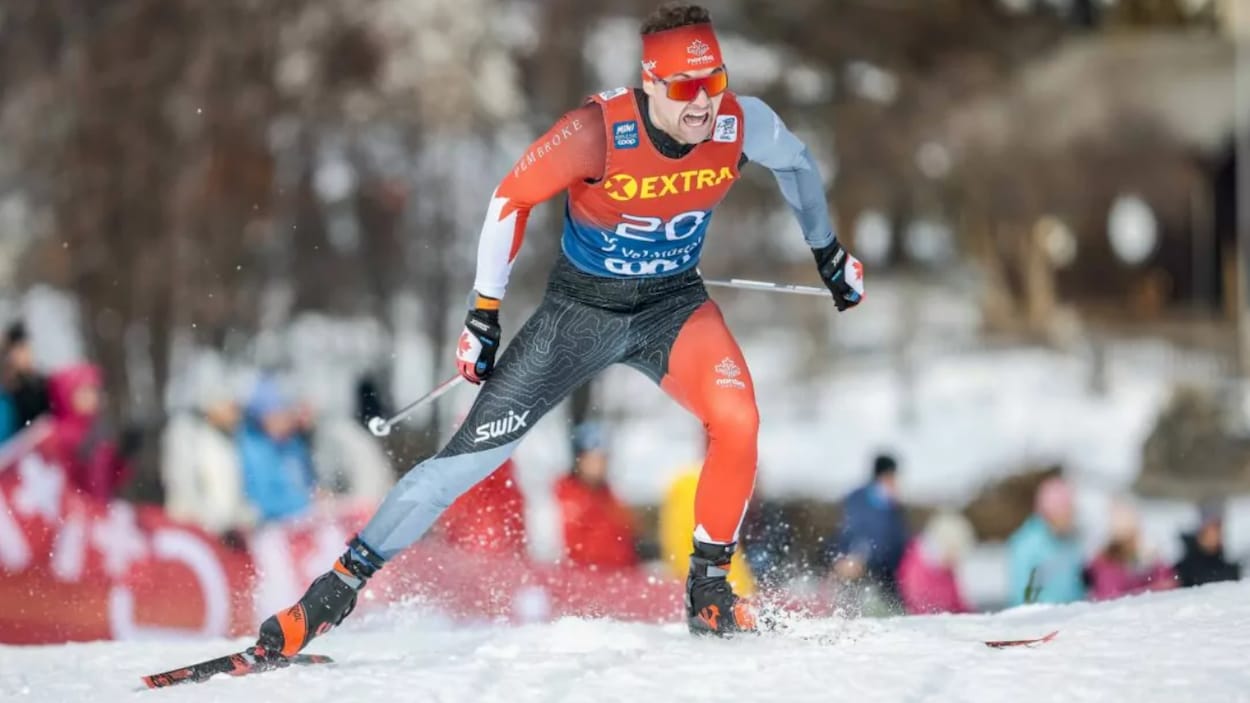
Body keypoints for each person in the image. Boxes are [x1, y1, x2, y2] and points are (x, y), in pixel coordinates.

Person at [255, 1, 864, 657]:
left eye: (713, 82)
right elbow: (509, 199)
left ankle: (710, 594)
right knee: (463, 463)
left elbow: (798, 163)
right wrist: (482, 312)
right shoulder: (598, 132)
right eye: (686, 88)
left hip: (673, 306)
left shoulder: (740, 123)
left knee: (738, 418)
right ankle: (330, 596)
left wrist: (828, 252)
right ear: (651, 82)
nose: (703, 104)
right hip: (579, 313)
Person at [161, 368, 256, 536]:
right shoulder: (187, 437)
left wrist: (244, 518)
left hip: (223, 535)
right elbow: (183, 492)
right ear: (213, 405)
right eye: (231, 407)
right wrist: (216, 525)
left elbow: (233, 496)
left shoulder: (228, 441)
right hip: (194, 537)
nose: (236, 415)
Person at [553, 421, 641, 569]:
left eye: (602, 459)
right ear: (579, 460)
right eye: (592, 459)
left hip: (615, 578)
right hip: (578, 578)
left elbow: (625, 542)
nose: (599, 466)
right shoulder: (563, 496)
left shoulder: (611, 497)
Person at [828, 454, 909, 607]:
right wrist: (854, 556)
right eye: (891, 476)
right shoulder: (861, 500)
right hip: (865, 567)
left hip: (887, 570)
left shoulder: (893, 506)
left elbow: (898, 541)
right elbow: (850, 533)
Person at [236, 376, 317, 523]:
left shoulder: (292, 444)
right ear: (262, 417)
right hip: (270, 529)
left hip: (301, 522)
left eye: (288, 415)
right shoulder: (252, 450)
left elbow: (306, 482)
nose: (286, 422)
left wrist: (316, 495)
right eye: (278, 415)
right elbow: (262, 501)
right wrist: (308, 503)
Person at [45, 363, 130, 501]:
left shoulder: (98, 428)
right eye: (84, 392)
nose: (91, 397)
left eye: (94, 391)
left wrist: (123, 459)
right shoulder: (56, 434)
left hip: (99, 510)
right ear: (66, 394)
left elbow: (107, 479)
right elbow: (58, 484)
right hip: (74, 516)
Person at [1007, 476, 1085, 605]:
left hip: (1071, 618)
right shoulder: (1026, 544)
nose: (1070, 516)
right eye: (1066, 510)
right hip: (1039, 619)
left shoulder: (1069, 540)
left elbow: (1075, 587)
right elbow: (1021, 594)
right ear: (1051, 511)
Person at [1083, 498, 1173, 601]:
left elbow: (1167, 583)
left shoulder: (1146, 559)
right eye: (1128, 536)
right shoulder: (1106, 567)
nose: (1132, 541)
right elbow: (1112, 600)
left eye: (1134, 534)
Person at [896, 511, 975, 615]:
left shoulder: (946, 570)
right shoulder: (917, 568)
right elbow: (919, 606)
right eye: (952, 552)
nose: (954, 560)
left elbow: (957, 602)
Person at [1172, 498, 1241, 588]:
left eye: (1219, 526)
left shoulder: (1231, 569)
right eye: (1213, 526)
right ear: (1201, 529)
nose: (1218, 533)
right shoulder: (1182, 570)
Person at [3, 322, 49, 432]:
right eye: (19, 350)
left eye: (27, 349)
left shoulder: (42, 383)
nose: (26, 355)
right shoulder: (8, 390)